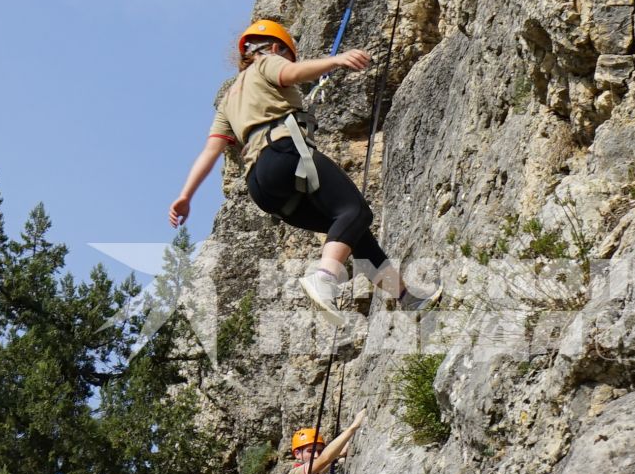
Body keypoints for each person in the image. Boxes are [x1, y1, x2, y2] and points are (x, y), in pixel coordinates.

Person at [168, 19, 440, 314]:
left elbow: (211, 150)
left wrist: (185, 196)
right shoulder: (267, 62)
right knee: (356, 211)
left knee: (352, 230)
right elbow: (290, 73)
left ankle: (407, 299)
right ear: (274, 48)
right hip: (283, 153)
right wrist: (336, 59)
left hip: (261, 187)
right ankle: (324, 278)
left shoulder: (229, 100)